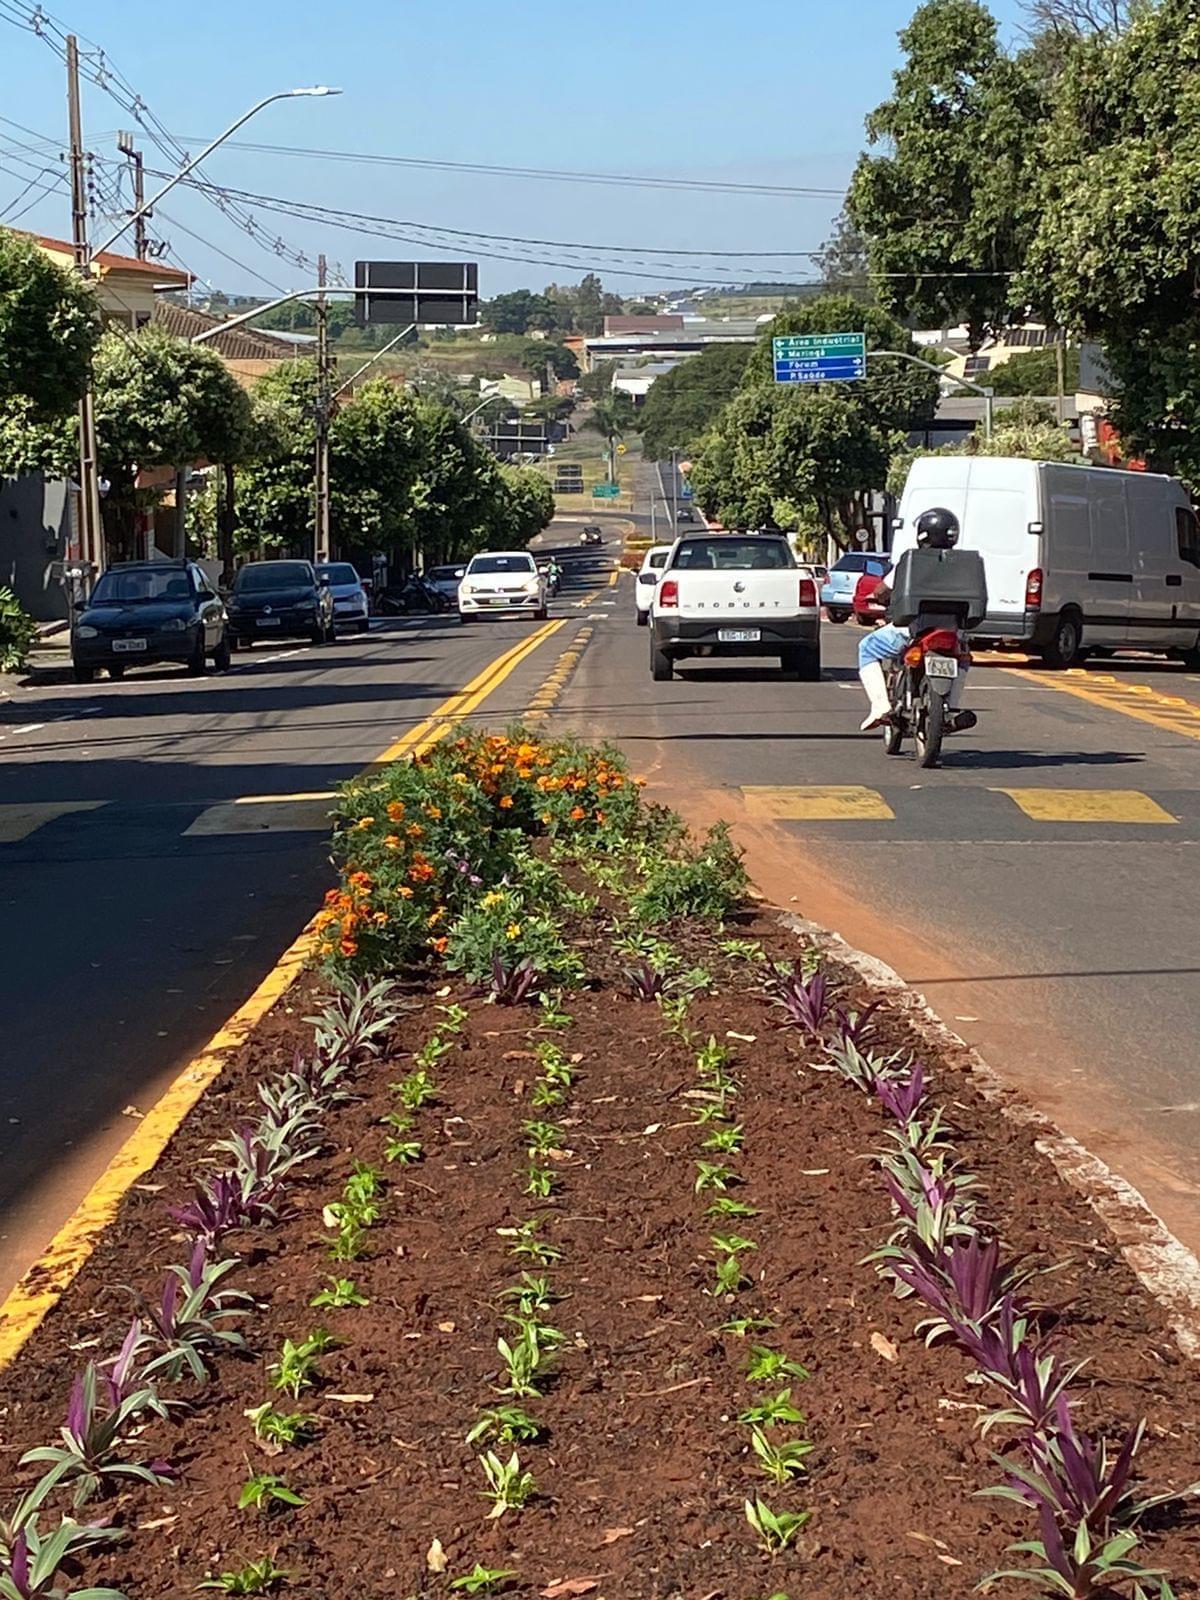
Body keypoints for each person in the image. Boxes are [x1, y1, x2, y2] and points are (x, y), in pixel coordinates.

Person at [857, 507, 976, 732]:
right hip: (952, 633)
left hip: (912, 631)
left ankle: (880, 705)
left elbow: (884, 590)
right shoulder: (965, 563)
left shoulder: (911, 561)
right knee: (963, 658)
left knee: (867, 648)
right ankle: (951, 708)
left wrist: (879, 596)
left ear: (922, 534)